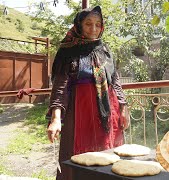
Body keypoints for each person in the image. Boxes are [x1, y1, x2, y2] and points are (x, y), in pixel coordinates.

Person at [46, 6, 129, 180]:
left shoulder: (104, 50)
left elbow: (115, 80)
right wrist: (55, 119)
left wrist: (123, 107)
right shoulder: (68, 52)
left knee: (107, 156)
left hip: (107, 113)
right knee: (80, 157)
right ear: (79, 25)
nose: (94, 29)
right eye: (88, 24)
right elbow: (60, 87)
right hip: (80, 115)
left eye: (98, 24)